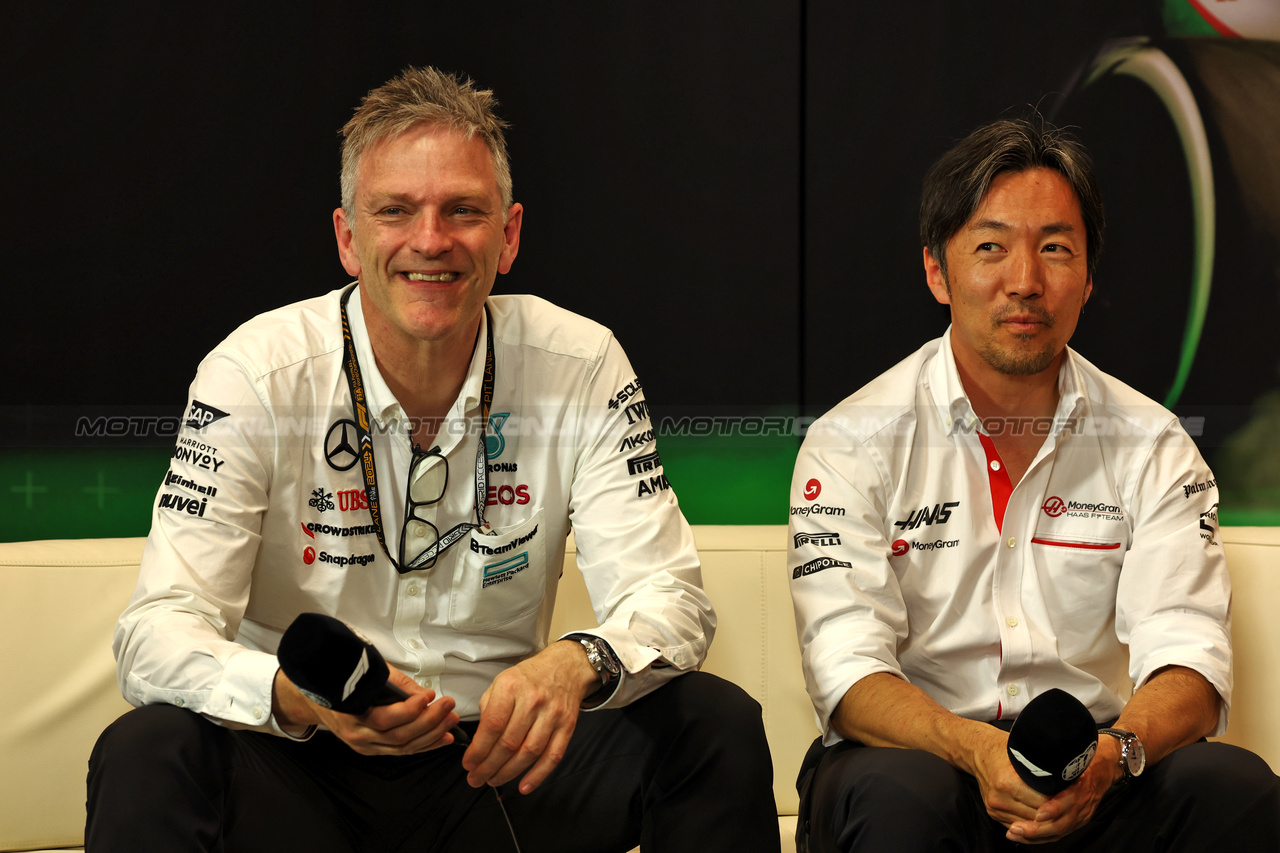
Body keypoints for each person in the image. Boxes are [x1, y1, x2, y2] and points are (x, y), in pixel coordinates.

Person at [87, 66, 779, 853]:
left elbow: (672, 599)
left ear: (509, 235)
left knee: (712, 725)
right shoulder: (253, 372)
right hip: (303, 756)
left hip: (500, 765)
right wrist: (298, 698)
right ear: (349, 238)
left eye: (463, 210)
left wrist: (574, 662)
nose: (430, 240)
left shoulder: (580, 362)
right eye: (396, 211)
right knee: (146, 749)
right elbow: (154, 633)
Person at [788, 114, 1280, 851]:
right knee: (898, 796)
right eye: (991, 248)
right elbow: (847, 666)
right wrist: (975, 750)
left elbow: (1189, 654)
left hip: (1094, 768)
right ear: (936, 270)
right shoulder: (850, 441)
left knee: (1236, 789)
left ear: (1087, 278)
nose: (1025, 281)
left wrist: (1114, 757)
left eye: (1056, 249)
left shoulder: (1154, 443)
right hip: (923, 762)